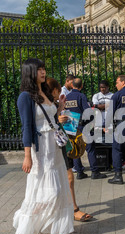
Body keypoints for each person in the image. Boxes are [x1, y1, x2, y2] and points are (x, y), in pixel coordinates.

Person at [13, 58, 73, 234]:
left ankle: (46, 228)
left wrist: (59, 107)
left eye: (44, 69)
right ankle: (44, 227)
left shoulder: (45, 91)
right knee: (49, 190)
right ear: (30, 72)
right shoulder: (25, 97)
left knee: (55, 188)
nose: (43, 72)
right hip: (40, 149)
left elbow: (50, 117)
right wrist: (26, 156)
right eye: (39, 69)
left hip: (53, 147)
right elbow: (27, 127)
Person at [47, 77, 93, 222]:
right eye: (58, 91)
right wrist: (56, 120)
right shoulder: (41, 104)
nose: (60, 93)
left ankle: (73, 209)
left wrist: (61, 110)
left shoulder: (55, 104)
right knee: (51, 182)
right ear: (52, 91)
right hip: (48, 147)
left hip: (61, 144)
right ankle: (53, 211)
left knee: (69, 178)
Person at [65, 77, 108, 180]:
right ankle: (94, 172)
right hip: (82, 125)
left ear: (72, 85)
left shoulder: (67, 96)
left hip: (70, 125)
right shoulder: (81, 96)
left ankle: (79, 172)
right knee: (90, 148)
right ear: (82, 86)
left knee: (75, 148)